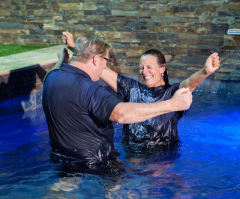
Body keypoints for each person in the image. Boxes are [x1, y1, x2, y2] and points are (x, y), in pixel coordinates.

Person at [42, 34, 192, 174]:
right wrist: (172, 104)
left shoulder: (51, 78)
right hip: (96, 164)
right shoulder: (91, 90)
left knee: (63, 190)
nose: (104, 68)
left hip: (61, 159)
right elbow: (121, 114)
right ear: (95, 60)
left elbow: (54, 71)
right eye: (106, 61)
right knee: (124, 189)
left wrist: (62, 59)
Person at [62, 32, 220, 154]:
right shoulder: (131, 88)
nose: (144, 72)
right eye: (141, 68)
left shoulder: (172, 94)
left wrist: (205, 71)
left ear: (162, 69)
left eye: (149, 67)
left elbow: (189, 83)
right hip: (132, 159)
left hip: (162, 161)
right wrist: (75, 47)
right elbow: (101, 67)